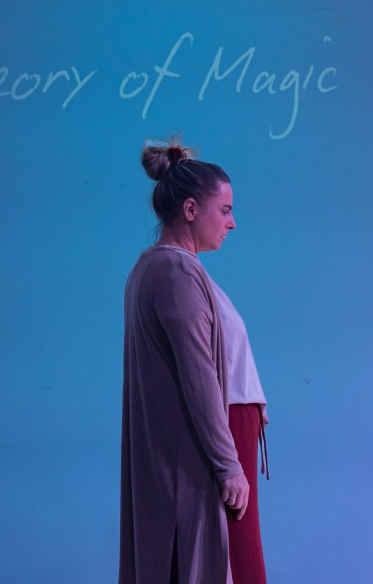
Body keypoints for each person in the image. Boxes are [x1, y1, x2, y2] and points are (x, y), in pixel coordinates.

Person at [120, 139, 269, 584]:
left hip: (224, 437)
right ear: (190, 209)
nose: (232, 222)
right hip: (217, 443)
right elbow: (198, 375)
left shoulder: (168, 268)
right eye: (224, 210)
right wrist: (228, 463)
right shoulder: (176, 272)